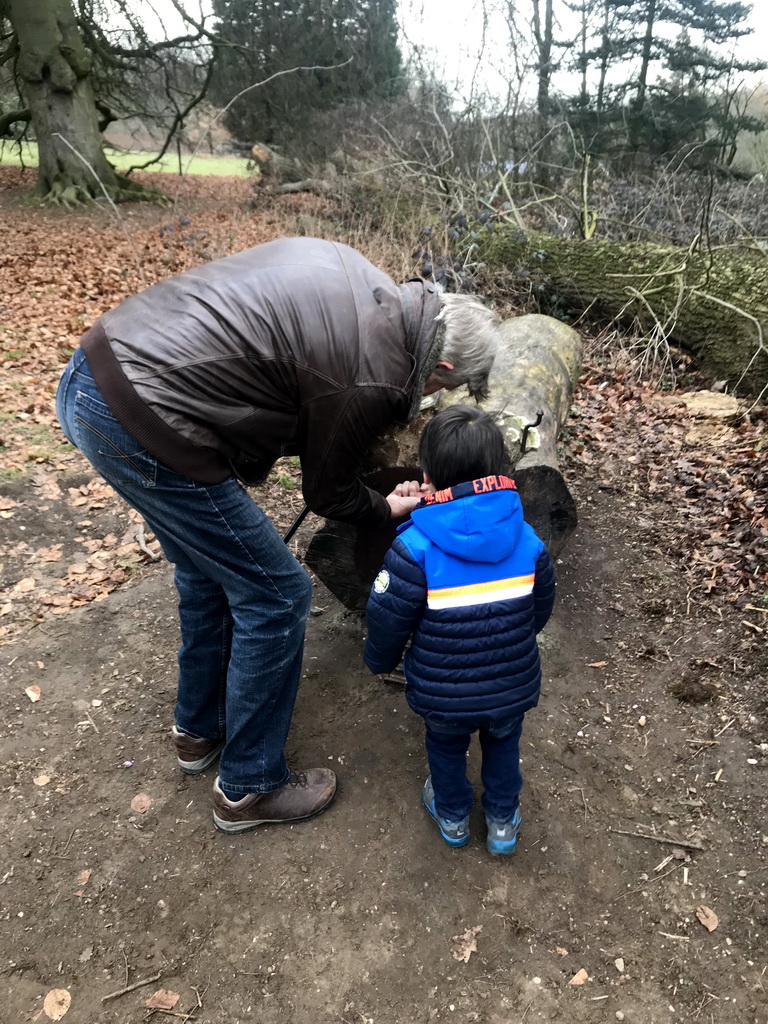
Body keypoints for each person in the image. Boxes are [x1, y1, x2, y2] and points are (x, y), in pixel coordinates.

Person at [55, 237, 500, 835]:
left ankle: (200, 729)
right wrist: (383, 508)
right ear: (441, 367)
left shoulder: (366, 283)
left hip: (96, 371)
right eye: (442, 390)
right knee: (278, 593)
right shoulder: (372, 374)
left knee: (207, 570)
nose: (431, 398)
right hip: (142, 414)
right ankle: (248, 786)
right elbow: (327, 494)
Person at [363, 405, 556, 854]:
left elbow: (387, 617)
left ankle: (452, 816)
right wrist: (514, 641)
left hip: (442, 691)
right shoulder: (528, 541)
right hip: (511, 682)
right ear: (498, 470)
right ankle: (502, 822)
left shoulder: (414, 546)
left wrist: (379, 661)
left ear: (427, 474)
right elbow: (539, 608)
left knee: (446, 748)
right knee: (504, 744)